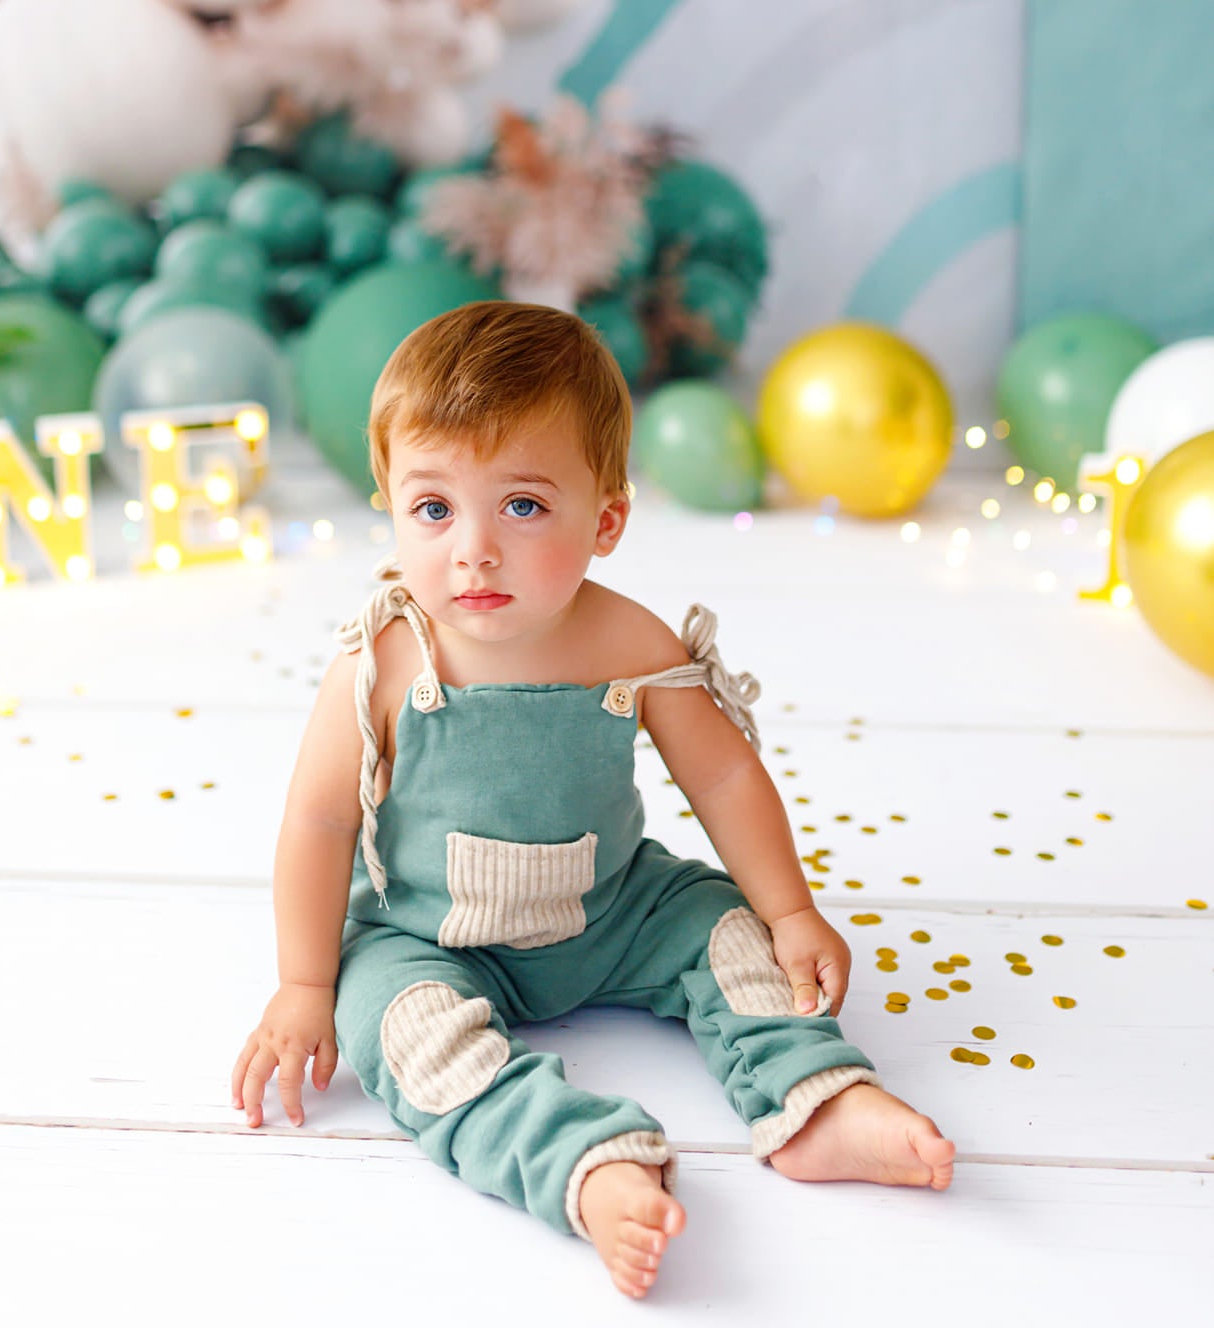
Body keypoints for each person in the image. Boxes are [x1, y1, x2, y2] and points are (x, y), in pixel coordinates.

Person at [232, 301, 955, 1299]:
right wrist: (306, 982)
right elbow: (319, 820)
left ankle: (815, 1095)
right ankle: (587, 1162)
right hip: (426, 932)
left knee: (731, 934)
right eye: (434, 507)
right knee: (399, 1032)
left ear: (604, 518)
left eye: (522, 505)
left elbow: (724, 773)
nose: (474, 548)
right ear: (391, 506)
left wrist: (789, 907)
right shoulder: (385, 656)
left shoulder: (627, 641)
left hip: (615, 909)